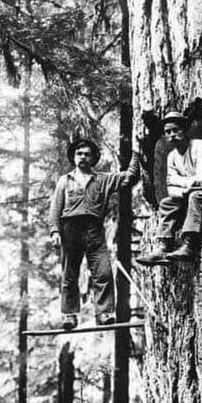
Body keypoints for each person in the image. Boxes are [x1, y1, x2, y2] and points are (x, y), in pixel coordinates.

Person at [49, 138, 139, 330]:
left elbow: (130, 177)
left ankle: (104, 313)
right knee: (69, 275)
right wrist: (55, 231)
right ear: (74, 157)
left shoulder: (104, 179)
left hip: (94, 230)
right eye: (79, 154)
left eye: (87, 154)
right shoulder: (65, 181)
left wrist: (137, 153)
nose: (83, 157)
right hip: (70, 231)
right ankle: (69, 315)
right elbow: (55, 208)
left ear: (93, 158)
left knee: (103, 271)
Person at [136, 109, 202, 266]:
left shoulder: (201, 147)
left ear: (184, 130)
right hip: (190, 193)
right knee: (167, 203)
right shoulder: (172, 157)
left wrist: (179, 181)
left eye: (176, 130)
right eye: (168, 132)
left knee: (195, 196)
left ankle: (189, 244)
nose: (172, 135)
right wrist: (186, 186)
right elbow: (171, 189)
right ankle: (165, 246)